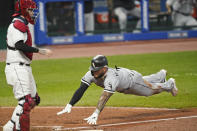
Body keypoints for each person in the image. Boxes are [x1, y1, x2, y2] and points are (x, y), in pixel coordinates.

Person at [57, 55, 178, 125]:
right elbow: (81, 89)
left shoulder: (111, 78)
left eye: (97, 70)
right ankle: (161, 75)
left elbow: (105, 96)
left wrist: (96, 113)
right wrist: (70, 104)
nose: (94, 72)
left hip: (132, 82)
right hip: (126, 77)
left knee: (150, 90)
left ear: (104, 69)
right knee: (146, 81)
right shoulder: (91, 73)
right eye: (93, 69)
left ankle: (169, 84)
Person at [3, 0, 52, 130]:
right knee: (26, 101)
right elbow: (19, 45)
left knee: (34, 100)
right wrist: (39, 50)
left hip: (23, 67)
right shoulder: (17, 24)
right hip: (16, 67)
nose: (32, 12)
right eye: (30, 10)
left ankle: (10, 126)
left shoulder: (22, 23)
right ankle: (19, 128)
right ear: (24, 10)